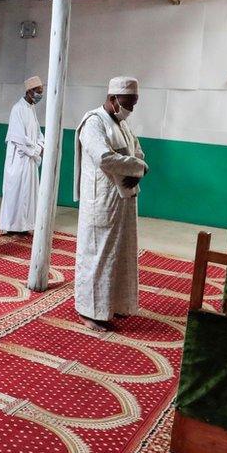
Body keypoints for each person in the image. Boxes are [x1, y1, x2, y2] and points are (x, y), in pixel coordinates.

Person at [73, 76, 148, 332]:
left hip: (124, 198)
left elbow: (138, 152)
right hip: (102, 201)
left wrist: (137, 166)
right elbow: (104, 157)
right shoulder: (93, 122)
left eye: (134, 104)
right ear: (114, 98)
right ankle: (89, 311)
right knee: (98, 256)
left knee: (121, 253)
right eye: (129, 103)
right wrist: (138, 167)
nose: (131, 109)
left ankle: (114, 304)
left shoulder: (123, 124)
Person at [0, 76, 45, 235]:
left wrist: (41, 145)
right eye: (38, 92)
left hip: (30, 161)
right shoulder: (17, 108)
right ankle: (12, 226)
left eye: (41, 92)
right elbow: (19, 139)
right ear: (29, 91)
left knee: (28, 195)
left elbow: (39, 134)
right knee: (16, 193)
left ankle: (24, 225)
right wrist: (36, 150)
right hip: (19, 160)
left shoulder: (31, 108)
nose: (40, 95)